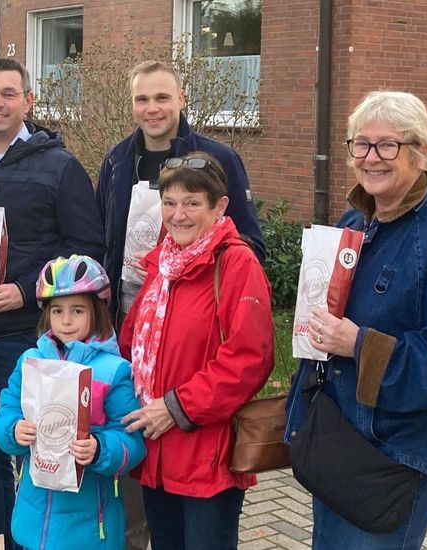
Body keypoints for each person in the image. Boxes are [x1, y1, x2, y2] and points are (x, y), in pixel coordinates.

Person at [284, 90, 427, 548]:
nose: (371, 157)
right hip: (340, 438)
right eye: (361, 143)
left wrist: (358, 344)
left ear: (421, 151)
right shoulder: (354, 222)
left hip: (395, 452)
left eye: (388, 145)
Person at [0, 57, 105, 550]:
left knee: (36, 455)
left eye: (9, 93)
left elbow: (87, 250)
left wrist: (26, 291)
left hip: (28, 341)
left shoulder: (60, 167)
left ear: (28, 101)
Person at [119, 152, 275, 550]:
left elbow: (249, 360)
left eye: (191, 203)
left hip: (206, 455)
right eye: (169, 203)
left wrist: (176, 407)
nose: (178, 215)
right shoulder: (161, 265)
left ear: (219, 206)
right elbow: (131, 341)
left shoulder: (236, 264)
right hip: (156, 450)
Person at [0, 255, 147, 550]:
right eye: (57, 310)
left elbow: (133, 442)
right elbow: (6, 412)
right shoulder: (31, 362)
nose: (66, 321)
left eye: (77, 310)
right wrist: (13, 430)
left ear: (96, 312)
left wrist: (100, 448)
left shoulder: (113, 371)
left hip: (89, 527)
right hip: (35, 519)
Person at [96, 60, 265, 326]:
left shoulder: (218, 159)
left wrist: (176, 263)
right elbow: (100, 238)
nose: (152, 109)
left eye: (162, 98)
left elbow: (250, 245)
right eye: (142, 99)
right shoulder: (116, 160)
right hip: (123, 317)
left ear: (181, 99)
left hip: (190, 318)